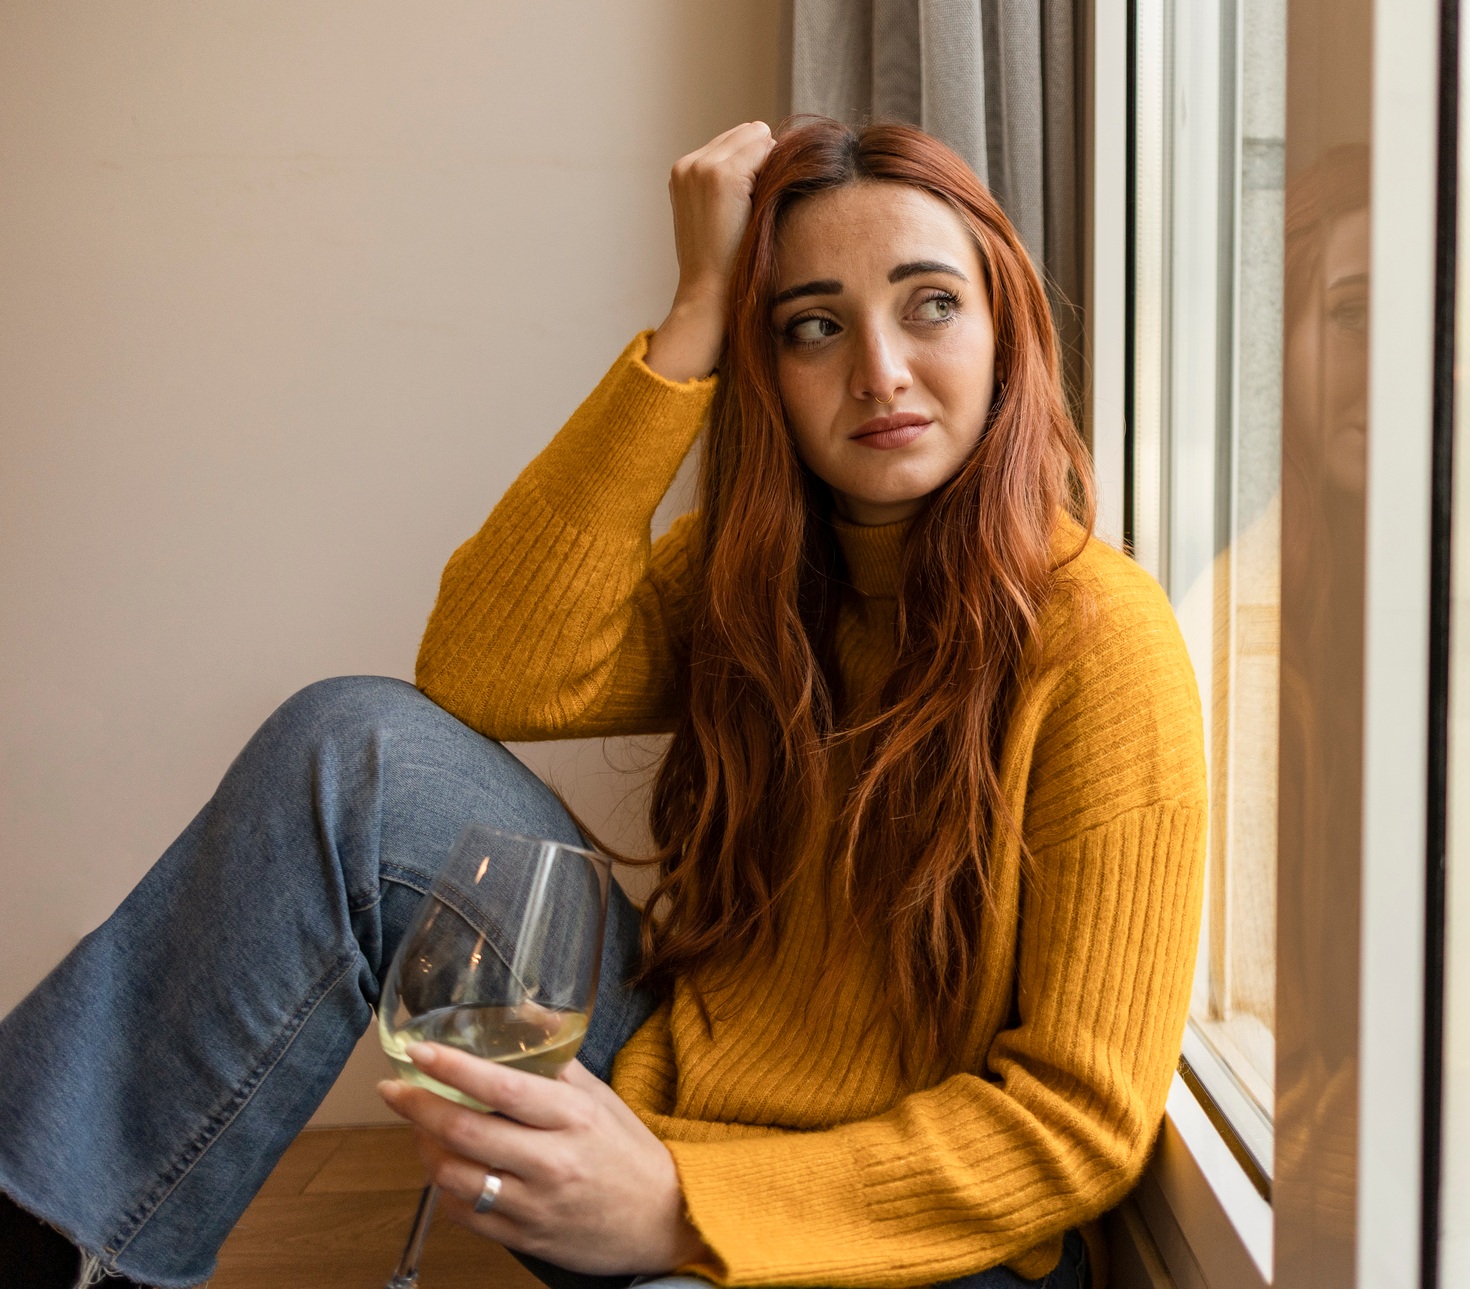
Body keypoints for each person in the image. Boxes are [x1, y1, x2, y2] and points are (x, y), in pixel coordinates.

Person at [0, 116, 1206, 1289]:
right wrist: (691, 316)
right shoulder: (753, 580)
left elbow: (1076, 1123)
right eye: (811, 326)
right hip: (661, 1098)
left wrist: (680, 1211)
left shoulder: (1100, 637)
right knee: (349, 745)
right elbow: (484, 670)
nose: (879, 370)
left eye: (930, 303)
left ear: (1007, 327)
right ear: (765, 373)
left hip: (914, 1239)